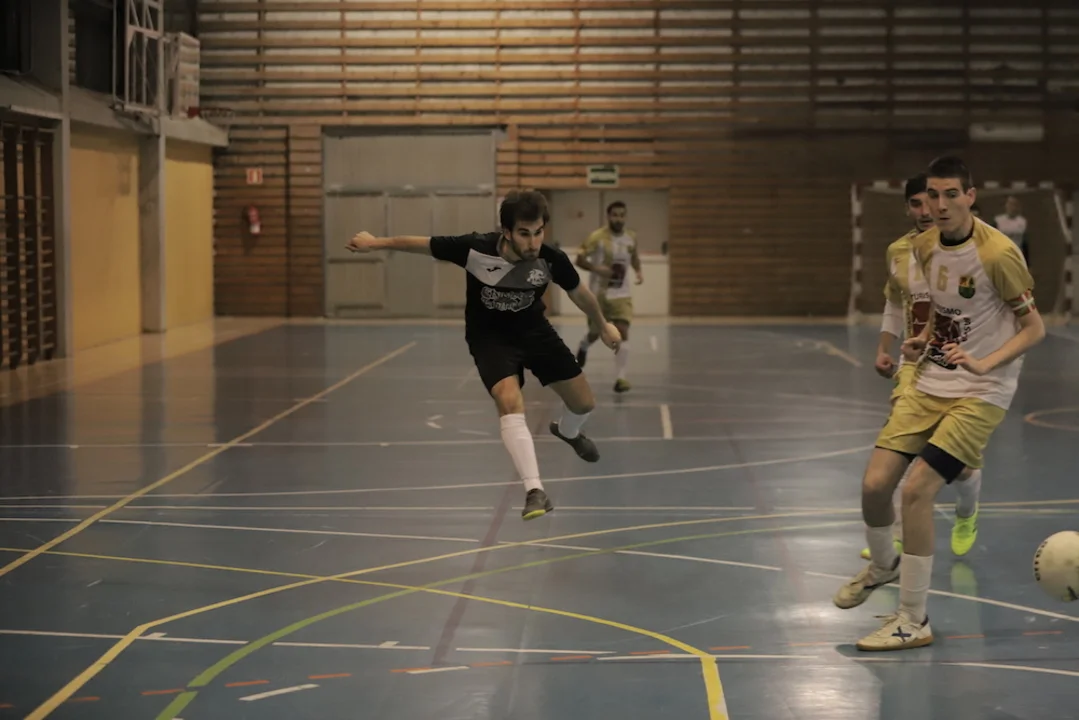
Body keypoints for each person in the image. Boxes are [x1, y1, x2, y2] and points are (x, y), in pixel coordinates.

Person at [834, 156, 1044, 651]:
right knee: (874, 486)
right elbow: (947, 309)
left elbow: (1035, 328)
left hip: (982, 391)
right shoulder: (924, 246)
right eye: (933, 195)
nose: (941, 204)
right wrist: (923, 338)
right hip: (932, 378)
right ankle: (884, 566)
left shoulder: (999, 253)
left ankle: (913, 620)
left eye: (952, 194)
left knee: (916, 492)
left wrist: (986, 363)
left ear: (970, 196)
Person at [346, 190, 621, 521]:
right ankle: (535, 490)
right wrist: (375, 243)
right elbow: (421, 243)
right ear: (506, 231)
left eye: (538, 232)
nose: (533, 242)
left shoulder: (551, 259)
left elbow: (580, 293)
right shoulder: (474, 248)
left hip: (535, 332)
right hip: (490, 339)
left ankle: (568, 432)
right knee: (508, 400)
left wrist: (603, 325)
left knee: (584, 404)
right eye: (524, 233)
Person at [859, 174, 984, 562]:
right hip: (915, 362)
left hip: (960, 360)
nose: (925, 210)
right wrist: (884, 346)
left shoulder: (972, 247)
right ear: (908, 209)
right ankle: (897, 536)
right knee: (902, 448)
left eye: (929, 201)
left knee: (956, 464)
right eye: (916, 203)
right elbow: (895, 303)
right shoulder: (898, 251)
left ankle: (968, 509)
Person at [574, 201, 642, 393]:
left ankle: (621, 379)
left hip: (621, 295)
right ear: (608, 217)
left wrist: (638, 271)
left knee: (622, 331)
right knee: (596, 333)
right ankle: (584, 345)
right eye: (615, 215)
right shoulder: (597, 238)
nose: (618, 219)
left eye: (622, 215)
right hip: (599, 295)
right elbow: (579, 259)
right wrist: (597, 269)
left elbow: (634, 257)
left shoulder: (631, 237)